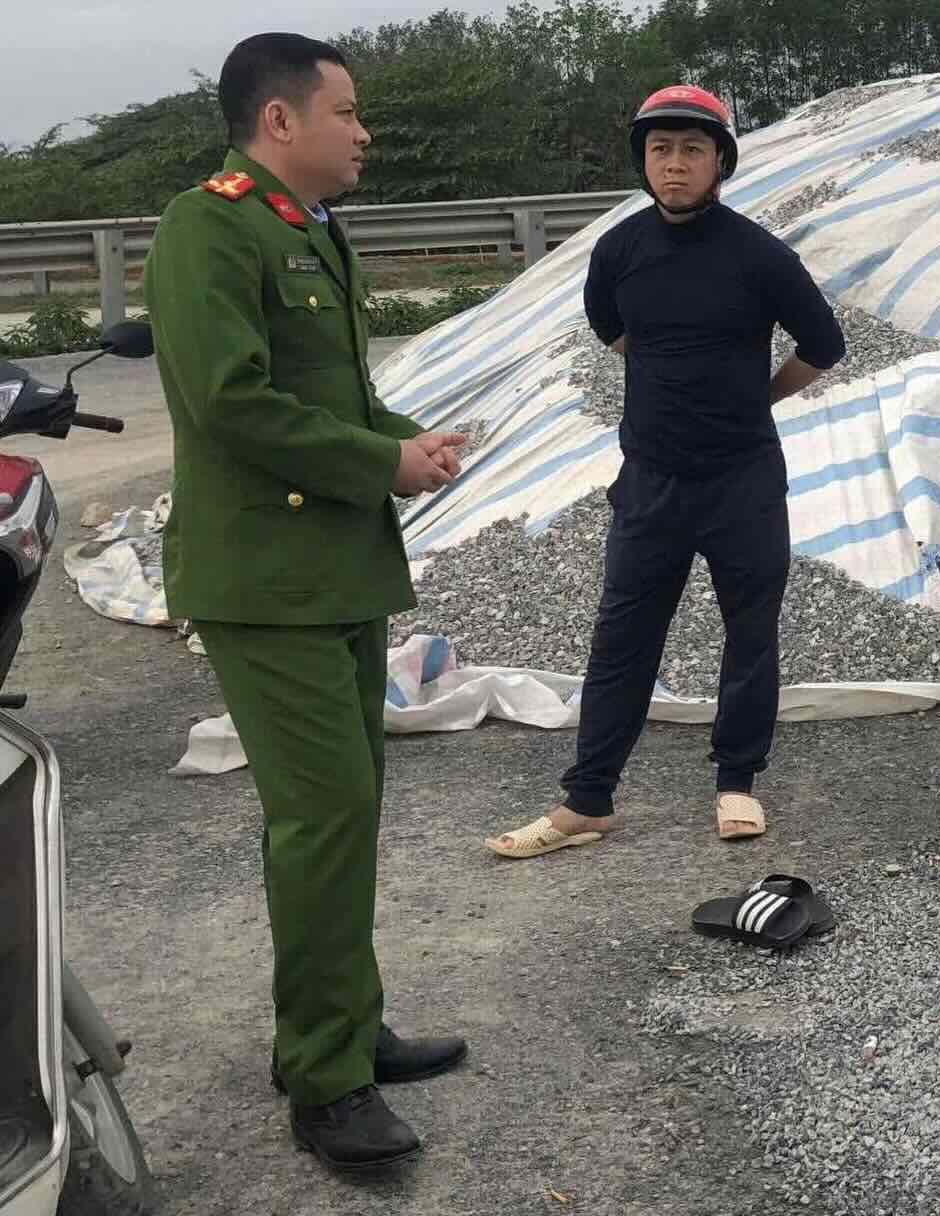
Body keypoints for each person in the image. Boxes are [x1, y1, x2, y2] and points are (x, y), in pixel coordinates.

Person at [144, 32, 470, 1171]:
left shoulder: (308, 230)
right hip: (265, 582)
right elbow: (232, 401)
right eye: (347, 111)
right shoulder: (209, 225)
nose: (364, 130)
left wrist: (401, 439)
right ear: (280, 122)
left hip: (333, 570)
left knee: (346, 814)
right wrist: (378, 465)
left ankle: (338, 1027)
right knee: (323, 813)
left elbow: (333, 391)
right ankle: (326, 1083)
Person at [486, 85, 846, 859]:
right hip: (650, 483)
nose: (674, 165)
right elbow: (612, 330)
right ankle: (587, 802)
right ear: (642, 163)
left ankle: (737, 783)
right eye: (659, 150)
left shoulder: (760, 255)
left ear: (720, 161)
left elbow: (825, 343)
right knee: (623, 638)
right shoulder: (619, 250)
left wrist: (757, 396)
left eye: (691, 149)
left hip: (744, 482)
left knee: (749, 635)